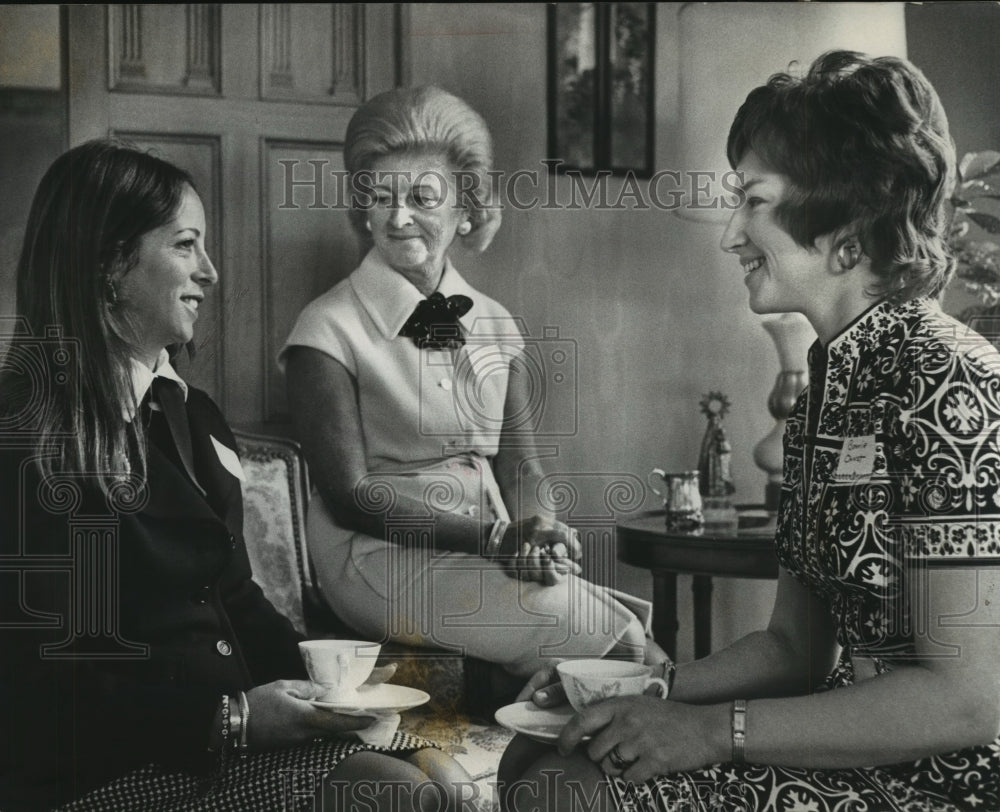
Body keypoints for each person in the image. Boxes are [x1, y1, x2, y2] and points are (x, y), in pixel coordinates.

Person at [497, 51, 1000, 812]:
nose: (731, 233)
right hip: (848, 747)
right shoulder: (824, 392)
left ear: (850, 222)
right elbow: (795, 651)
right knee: (541, 751)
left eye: (754, 200)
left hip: (945, 777)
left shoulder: (949, 378)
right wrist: (637, 688)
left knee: (565, 795)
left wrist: (708, 732)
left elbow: (967, 701)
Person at [0, 139, 470, 812]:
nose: (212, 273)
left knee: (440, 771)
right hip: (103, 770)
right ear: (109, 264)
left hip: (221, 739)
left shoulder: (194, 415)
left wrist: (347, 696)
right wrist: (232, 719)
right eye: (186, 245)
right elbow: (41, 681)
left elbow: (236, 599)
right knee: (396, 797)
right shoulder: (27, 438)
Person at [281, 85, 649, 689]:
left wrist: (541, 533)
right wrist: (499, 536)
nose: (399, 218)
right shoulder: (326, 328)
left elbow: (523, 470)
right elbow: (350, 495)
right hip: (376, 557)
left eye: (423, 197)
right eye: (381, 197)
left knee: (622, 648)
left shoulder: (495, 321)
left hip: (483, 547)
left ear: (466, 206)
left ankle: (538, 768)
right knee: (615, 645)